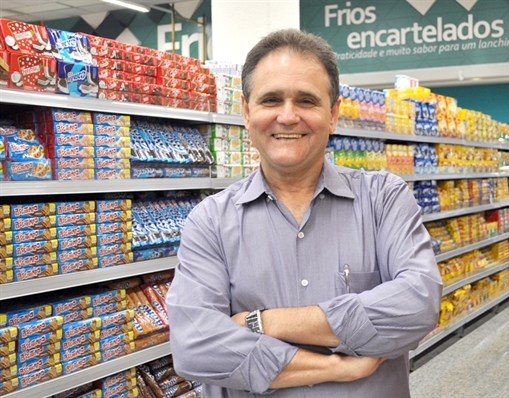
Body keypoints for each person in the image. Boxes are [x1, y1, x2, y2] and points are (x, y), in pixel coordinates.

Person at [166, 28, 443, 397]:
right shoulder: (210, 221)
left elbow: (419, 305)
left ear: (333, 114)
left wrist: (263, 322)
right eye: (271, 100)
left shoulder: (384, 199)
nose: (288, 116)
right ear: (247, 113)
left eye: (307, 101)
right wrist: (336, 367)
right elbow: (195, 347)